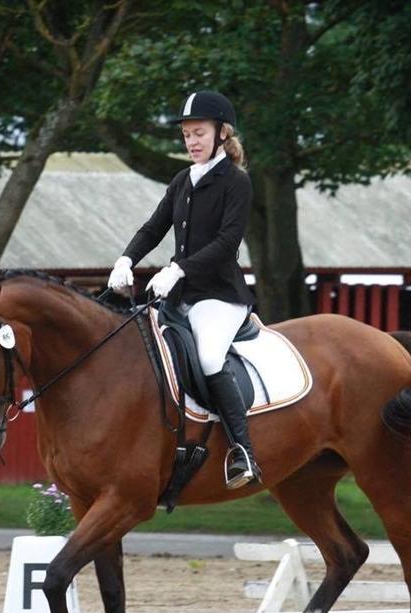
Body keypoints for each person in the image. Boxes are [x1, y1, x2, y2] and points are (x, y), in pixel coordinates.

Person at [108, 90, 261, 489]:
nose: (192, 142)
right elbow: (153, 228)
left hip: (221, 298)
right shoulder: (182, 181)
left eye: (199, 133)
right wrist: (126, 259)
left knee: (210, 358)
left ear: (222, 133)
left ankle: (243, 451)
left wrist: (178, 269)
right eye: (187, 135)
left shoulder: (236, 183)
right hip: (180, 299)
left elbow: (227, 243)